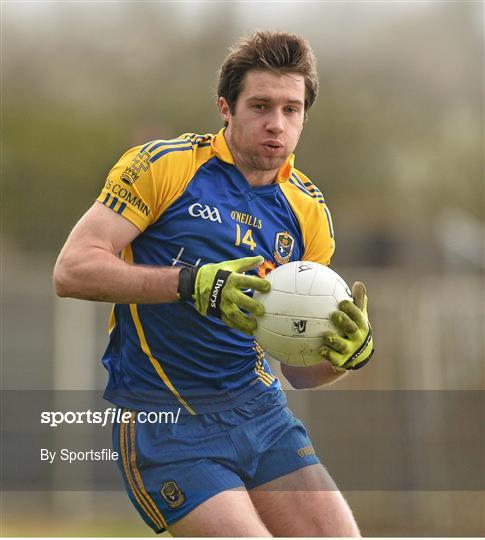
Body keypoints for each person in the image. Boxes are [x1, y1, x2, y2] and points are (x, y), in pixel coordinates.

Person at [53, 31, 374, 537]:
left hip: (262, 416)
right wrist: (191, 283)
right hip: (166, 422)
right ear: (226, 108)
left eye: (291, 110)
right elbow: (71, 270)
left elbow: (298, 370)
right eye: (261, 106)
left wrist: (344, 355)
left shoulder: (309, 212)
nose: (276, 124)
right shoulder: (165, 167)